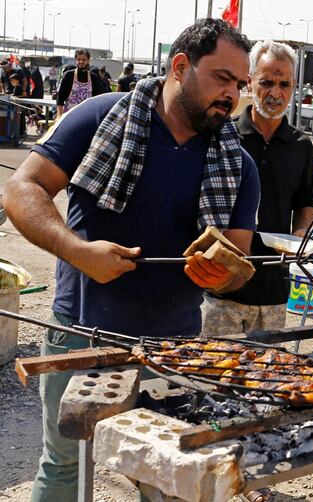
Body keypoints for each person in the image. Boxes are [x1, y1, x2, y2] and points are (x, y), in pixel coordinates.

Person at [2, 19, 258, 501]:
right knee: (63, 468)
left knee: (165, 479)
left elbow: (236, 258)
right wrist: (77, 252)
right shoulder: (100, 117)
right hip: (81, 333)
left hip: (174, 348)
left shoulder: (237, 164)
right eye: (223, 79)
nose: (233, 95)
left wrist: (222, 276)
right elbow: (22, 188)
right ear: (181, 67)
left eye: (240, 84)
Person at [201, 40, 313, 336]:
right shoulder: (223, 137)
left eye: (285, 84)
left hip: (274, 292)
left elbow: (306, 203)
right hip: (222, 291)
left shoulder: (301, 146)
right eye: (267, 82)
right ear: (250, 83)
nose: (276, 93)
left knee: (264, 377)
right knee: (212, 374)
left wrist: (301, 236)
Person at [56, 49, 107, 118]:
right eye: (79, 59)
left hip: (87, 116)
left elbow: (97, 99)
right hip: (69, 115)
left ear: (88, 61)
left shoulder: (94, 77)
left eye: (84, 59)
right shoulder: (68, 75)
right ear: (76, 60)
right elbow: (60, 97)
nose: (81, 62)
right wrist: (59, 115)